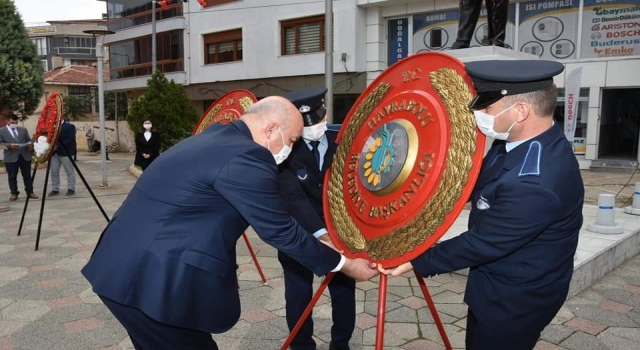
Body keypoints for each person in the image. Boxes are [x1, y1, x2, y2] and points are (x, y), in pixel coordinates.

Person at [81, 96, 379, 350]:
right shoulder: (247, 155)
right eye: (291, 140)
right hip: (151, 281)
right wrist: (344, 264)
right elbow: (279, 230)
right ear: (271, 129)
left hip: (126, 269)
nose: (290, 148)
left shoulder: (215, 139)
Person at [378, 60, 584, 350]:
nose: (479, 114)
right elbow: (477, 183)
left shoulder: (535, 183)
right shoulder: (519, 141)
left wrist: (416, 259)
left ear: (521, 111)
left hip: (515, 302)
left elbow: (483, 242)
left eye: (487, 108)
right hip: (494, 285)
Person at [278, 87, 356, 350]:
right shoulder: (286, 148)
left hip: (342, 233)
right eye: (305, 124)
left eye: (318, 120)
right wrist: (322, 234)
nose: (313, 128)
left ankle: (341, 344)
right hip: (300, 233)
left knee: (344, 294)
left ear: (325, 114)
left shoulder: (343, 140)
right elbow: (293, 198)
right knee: (298, 296)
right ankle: (301, 346)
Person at [0, 113, 38, 201]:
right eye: (12, 122)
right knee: (12, 176)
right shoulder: (1, 131)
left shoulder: (23, 130)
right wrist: (10, 145)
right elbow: (0, 144)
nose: (14, 124)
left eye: (16, 122)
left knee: (27, 175)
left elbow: (28, 139)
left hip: (25, 156)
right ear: (7, 121)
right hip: (11, 157)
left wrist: (29, 144)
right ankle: (14, 193)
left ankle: (30, 192)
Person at [49, 118, 76, 196]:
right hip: (54, 154)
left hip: (66, 153)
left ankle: (71, 188)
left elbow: (70, 139)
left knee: (69, 171)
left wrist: (57, 146)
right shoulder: (52, 126)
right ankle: (55, 189)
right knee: (54, 172)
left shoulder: (69, 126)